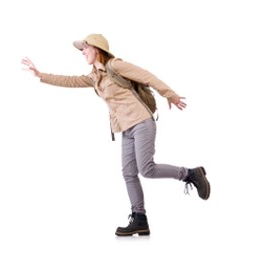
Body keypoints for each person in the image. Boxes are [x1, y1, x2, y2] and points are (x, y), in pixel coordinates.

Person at [21, 33, 211, 236]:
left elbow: (147, 76)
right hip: (125, 128)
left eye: (85, 48)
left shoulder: (115, 65)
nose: (82, 52)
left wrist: (170, 94)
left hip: (141, 122)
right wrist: (40, 75)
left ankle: (190, 174)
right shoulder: (95, 76)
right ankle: (140, 219)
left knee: (146, 169)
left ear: (96, 49)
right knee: (128, 173)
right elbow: (71, 81)